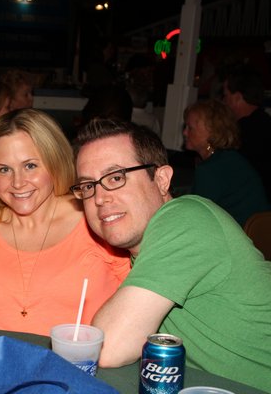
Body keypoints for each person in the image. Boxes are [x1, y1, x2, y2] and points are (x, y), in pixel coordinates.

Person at [72, 118, 271, 392]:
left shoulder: (187, 219)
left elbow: (109, 347)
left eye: (116, 178)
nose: (99, 198)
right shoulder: (148, 246)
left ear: (162, 179)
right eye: (88, 186)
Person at [0, 109, 130, 336]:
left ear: (55, 162)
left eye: (30, 166)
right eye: (4, 169)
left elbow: (136, 314)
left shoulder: (97, 222)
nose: (18, 182)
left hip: (81, 367)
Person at [183, 99, 269, 226]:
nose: (185, 133)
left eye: (190, 128)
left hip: (242, 237)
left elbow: (196, 219)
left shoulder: (211, 168)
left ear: (211, 132)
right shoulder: (230, 158)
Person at [223, 66, 271, 198]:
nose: (224, 101)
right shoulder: (265, 122)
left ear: (237, 97)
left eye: (226, 96)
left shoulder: (240, 133)